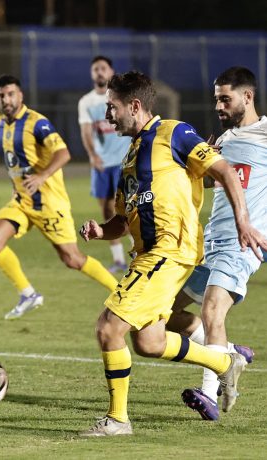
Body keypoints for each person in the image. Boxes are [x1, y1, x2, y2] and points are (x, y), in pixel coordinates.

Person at [78, 70, 266, 436]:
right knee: (149, 341)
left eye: (112, 107)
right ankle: (224, 362)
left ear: (135, 106)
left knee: (108, 327)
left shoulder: (174, 133)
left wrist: (244, 223)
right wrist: (101, 231)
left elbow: (226, 172)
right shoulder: (131, 158)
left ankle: (117, 420)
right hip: (150, 254)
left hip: (169, 252)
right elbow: (122, 220)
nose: (107, 115)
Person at [165, 67, 265, 421]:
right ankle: (229, 353)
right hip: (208, 245)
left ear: (247, 97)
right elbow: (216, 183)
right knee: (164, 314)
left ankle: (208, 393)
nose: (218, 106)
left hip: (241, 244)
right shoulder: (224, 139)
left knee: (212, 310)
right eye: (216, 99)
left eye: (226, 99)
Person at [0, 74, 118, 320]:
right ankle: (28, 294)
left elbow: (63, 153)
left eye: (11, 94)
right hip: (22, 202)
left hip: (49, 203)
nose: (6, 99)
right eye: (1, 95)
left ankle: (120, 292)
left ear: (20, 95)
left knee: (72, 259)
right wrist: (16, 185)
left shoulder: (37, 123)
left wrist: (42, 176)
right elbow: (15, 162)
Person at [78, 56, 131, 272]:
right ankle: (118, 259)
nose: (99, 72)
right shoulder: (87, 102)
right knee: (107, 211)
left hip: (124, 162)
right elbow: (86, 131)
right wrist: (93, 155)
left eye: (103, 68)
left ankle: (138, 251)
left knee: (130, 208)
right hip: (101, 164)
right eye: (95, 69)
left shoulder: (121, 97)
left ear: (111, 71)